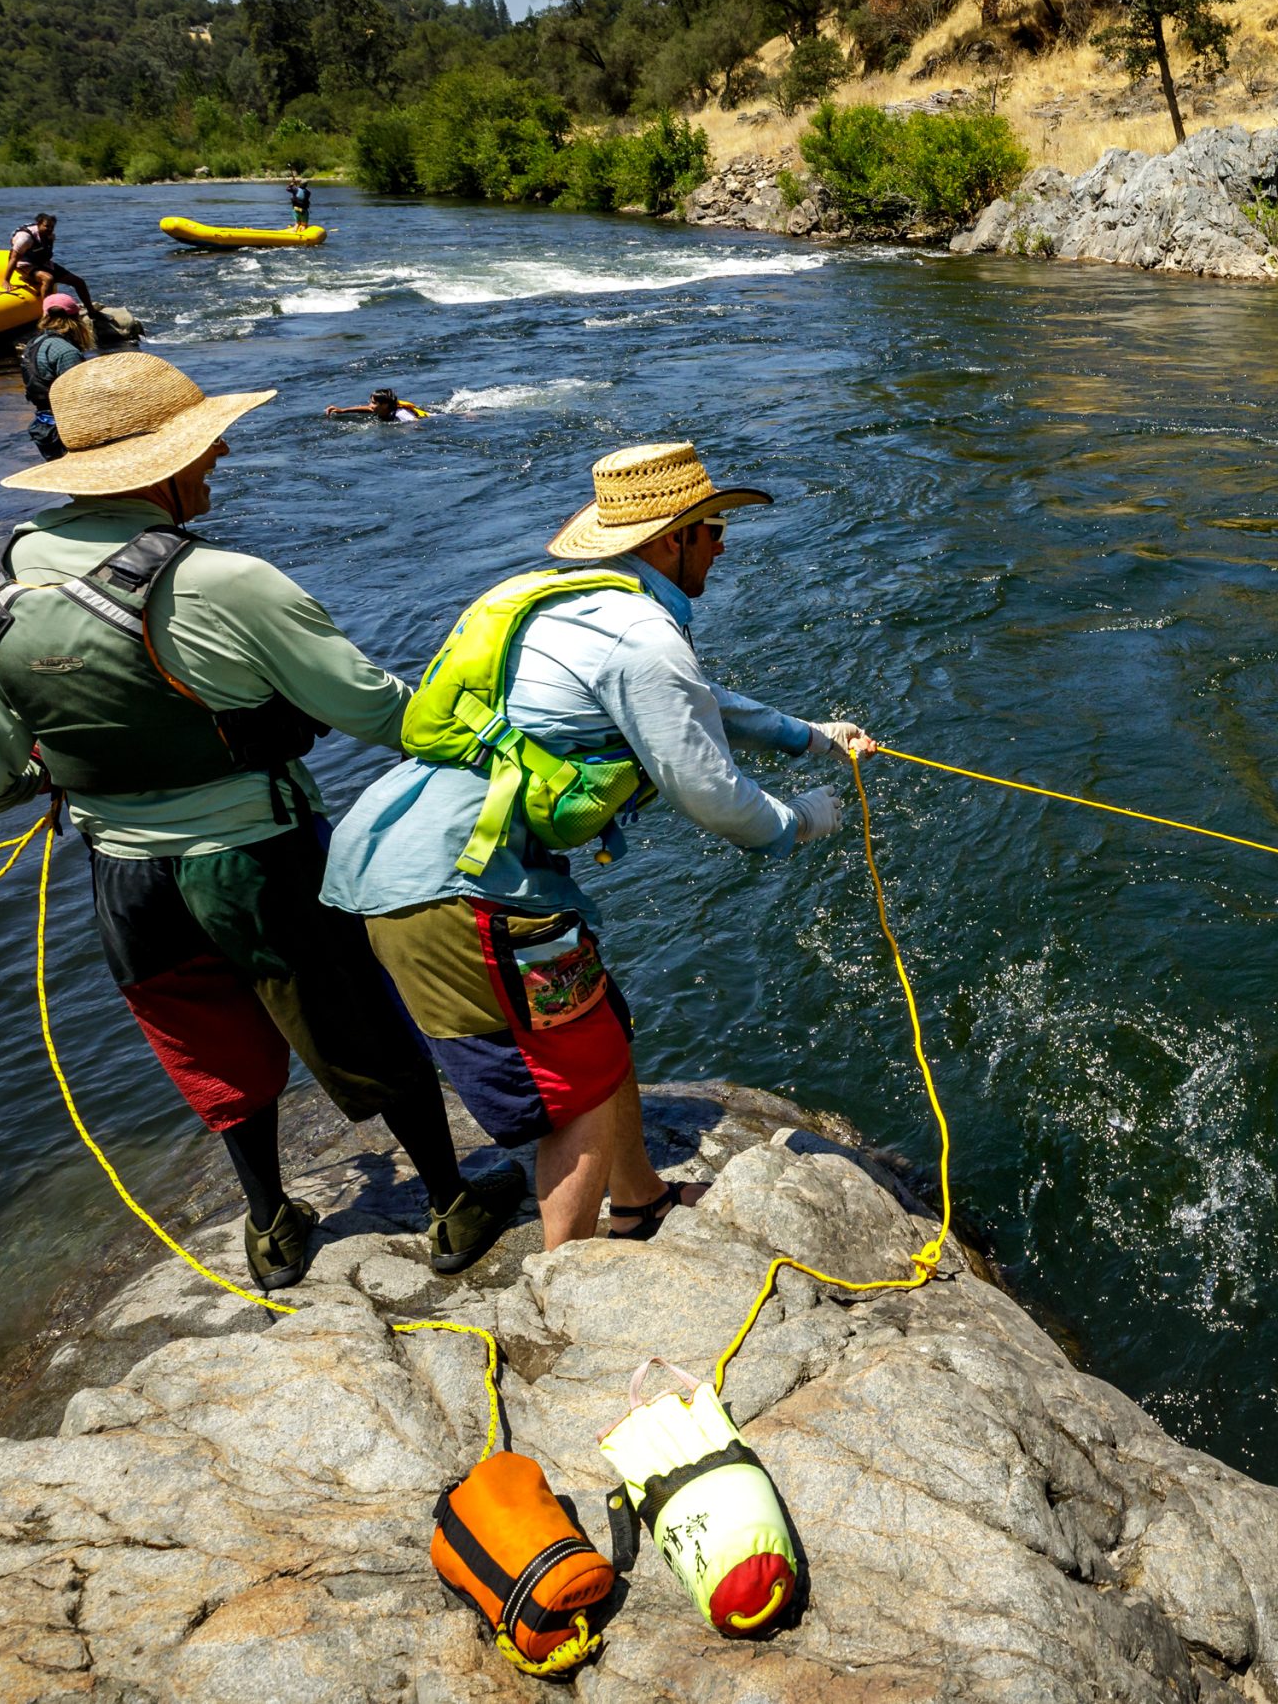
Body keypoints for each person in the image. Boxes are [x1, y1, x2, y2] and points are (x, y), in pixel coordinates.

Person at [0, 351, 528, 1292]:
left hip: (124, 879)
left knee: (204, 1043)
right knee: (356, 1021)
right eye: (204, 448)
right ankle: (452, 1200)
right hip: (258, 860)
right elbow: (389, 713)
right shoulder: (227, 581)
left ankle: (273, 1224)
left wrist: (58, 771)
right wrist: (512, 741)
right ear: (161, 468)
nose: (218, 460)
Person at [321, 442, 875, 1253]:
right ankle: (573, 1285)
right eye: (710, 528)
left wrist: (812, 738)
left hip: (401, 852)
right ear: (666, 541)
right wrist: (804, 820)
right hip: (462, 889)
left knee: (600, 1027)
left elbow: (700, 703)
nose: (722, 543)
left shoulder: (570, 601)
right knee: (573, 1095)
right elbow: (712, 796)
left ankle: (641, 1198)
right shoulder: (643, 638)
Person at [17, 294, 95, 462]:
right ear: (76, 319)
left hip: (44, 427)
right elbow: (79, 396)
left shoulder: (34, 343)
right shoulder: (67, 351)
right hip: (66, 429)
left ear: (46, 316)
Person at [7, 213, 99, 314]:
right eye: (47, 226)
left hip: (41, 262)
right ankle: (47, 313)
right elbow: (13, 259)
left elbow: (47, 254)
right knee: (48, 278)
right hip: (23, 264)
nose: (50, 229)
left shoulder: (50, 236)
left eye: (52, 227)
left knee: (79, 282)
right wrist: (6, 280)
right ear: (39, 224)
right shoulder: (25, 238)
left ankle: (92, 312)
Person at [326, 387, 428, 421]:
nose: (370, 405)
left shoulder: (400, 414)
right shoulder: (383, 409)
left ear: (385, 405)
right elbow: (368, 409)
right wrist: (343, 410)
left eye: (373, 403)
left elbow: (415, 422)